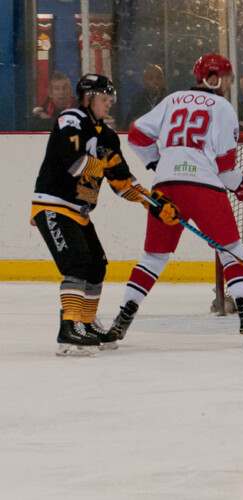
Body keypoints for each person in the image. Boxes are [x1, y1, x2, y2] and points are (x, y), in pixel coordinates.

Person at [110, 53, 243, 348]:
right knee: (232, 250)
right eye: (227, 78)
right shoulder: (223, 108)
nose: (229, 84)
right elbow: (225, 169)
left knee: (153, 257)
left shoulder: (172, 100)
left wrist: (158, 164)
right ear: (215, 78)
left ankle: (121, 321)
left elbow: (136, 135)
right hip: (203, 187)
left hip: (166, 187)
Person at [30, 73, 176, 356]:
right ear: (87, 98)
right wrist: (105, 165)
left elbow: (122, 182)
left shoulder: (107, 137)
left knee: (97, 265)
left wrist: (151, 201)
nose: (109, 103)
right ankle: (69, 327)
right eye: (104, 98)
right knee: (77, 264)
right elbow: (75, 163)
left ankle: (87, 323)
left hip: (79, 211)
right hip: (53, 205)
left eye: (111, 99)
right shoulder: (71, 120)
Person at [123, 64, 168, 129]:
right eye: (151, 78)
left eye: (159, 78)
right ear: (143, 82)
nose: (155, 82)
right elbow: (128, 125)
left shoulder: (169, 100)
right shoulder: (138, 100)